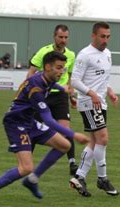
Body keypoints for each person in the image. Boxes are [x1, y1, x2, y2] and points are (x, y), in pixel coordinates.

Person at [0, 51, 89, 207]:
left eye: (63, 68)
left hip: (29, 121)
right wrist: (74, 134)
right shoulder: (36, 88)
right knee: (26, 167)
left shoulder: (45, 77)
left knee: (65, 145)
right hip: (16, 123)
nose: (61, 72)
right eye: (59, 68)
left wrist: (63, 89)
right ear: (47, 67)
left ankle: (32, 180)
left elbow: (52, 84)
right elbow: (49, 120)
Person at [69, 21, 120, 197]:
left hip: (100, 102)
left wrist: (111, 92)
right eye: (102, 36)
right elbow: (74, 81)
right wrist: (91, 94)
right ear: (93, 35)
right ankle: (102, 179)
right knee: (103, 139)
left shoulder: (107, 53)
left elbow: (104, 80)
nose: (105, 40)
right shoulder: (84, 55)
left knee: (94, 141)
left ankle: (79, 177)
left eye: (108, 36)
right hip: (89, 102)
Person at [27, 24, 78, 176]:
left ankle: (72, 163)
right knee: (33, 130)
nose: (63, 40)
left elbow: (69, 76)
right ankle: (27, 162)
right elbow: (31, 73)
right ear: (54, 37)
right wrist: (32, 93)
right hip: (42, 94)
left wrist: (71, 96)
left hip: (61, 96)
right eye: (60, 37)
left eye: (66, 37)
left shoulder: (71, 55)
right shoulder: (44, 52)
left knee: (65, 129)